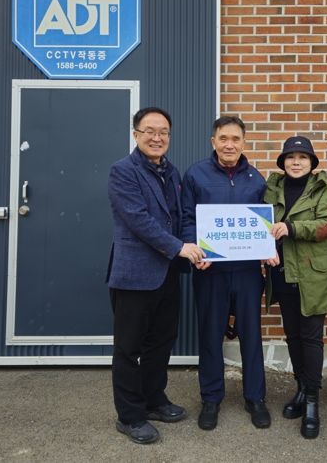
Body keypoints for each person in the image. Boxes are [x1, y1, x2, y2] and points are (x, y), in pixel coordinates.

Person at [107, 107, 205, 444]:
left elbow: (178, 218)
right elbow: (139, 220)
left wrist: (197, 249)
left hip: (167, 273)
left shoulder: (171, 172)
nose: (157, 137)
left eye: (163, 132)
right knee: (128, 347)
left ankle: (153, 399)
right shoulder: (123, 171)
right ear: (136, 134)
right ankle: (130, 416)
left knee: (161, 342)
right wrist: (180, 248)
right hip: (134, 274)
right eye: (149, 131)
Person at [181, 116, 271, 431]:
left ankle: (255, 397)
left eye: (235, 139)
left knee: (251, 335)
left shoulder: (256, 179)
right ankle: (211, 398)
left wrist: (267, 247)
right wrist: (195, 251)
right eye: (223, 138)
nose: (229, 144)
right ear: (213, 141)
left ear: (244, 142)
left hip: (247, 271)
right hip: (210, 271)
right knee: (210, 335)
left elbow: (264, 224)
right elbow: (187, 218)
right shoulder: (196, 174)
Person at [264, 136, 327, 439]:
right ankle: (300, 387)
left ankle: (311, 401)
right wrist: (264, 248)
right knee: (293, 336)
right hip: (281, 274)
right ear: (283, 162)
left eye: (303, 157)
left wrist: (292, 228)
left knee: (311, 338)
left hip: (312, 276)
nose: (296, 162)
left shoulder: (323, 189)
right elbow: (260, 225)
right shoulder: (272, 188)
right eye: (291, 157)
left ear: (311, 162)